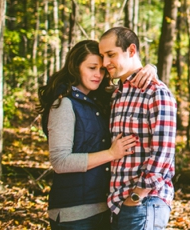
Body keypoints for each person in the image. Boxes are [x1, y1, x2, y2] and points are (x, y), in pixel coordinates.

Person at [37, 40, 158, 230]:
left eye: (102, 69)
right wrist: (111, 154)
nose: (98, 75)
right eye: (92, 68)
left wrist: (150, 68)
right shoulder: (63, 105)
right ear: (75, 67)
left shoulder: (101, 100)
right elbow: (60, 161)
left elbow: (130, 82)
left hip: (104, 208)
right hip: (73, 213)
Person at [99, 27, 176, 230]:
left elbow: (163, 152)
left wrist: (136, 195)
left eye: (111, 55)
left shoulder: (156, 92)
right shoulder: (117, 94)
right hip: (117, 204)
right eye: (102, 56)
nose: (105, 62)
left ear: (131, 50)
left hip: (144, 203)